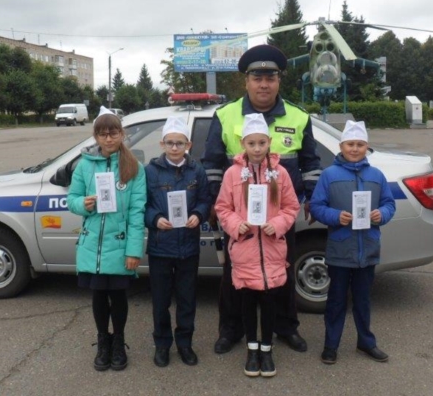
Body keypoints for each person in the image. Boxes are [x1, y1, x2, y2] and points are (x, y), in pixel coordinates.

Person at [202, 44, 321, 354]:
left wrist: (312, 200)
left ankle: (285, 328)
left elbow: (311, 164)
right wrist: (217, 206)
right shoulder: (225, 115)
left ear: (279, 81)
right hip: (238, 220)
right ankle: (231, 330)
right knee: (232, 277)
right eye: (257, 77)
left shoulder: (298, 116)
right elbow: (212, 164)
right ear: (247, 81)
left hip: (278, 220)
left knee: (281, 273)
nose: (264, 84)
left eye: (271, 77)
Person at [215, 114, 300, 377]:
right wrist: (234, 224)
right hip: (245, 251)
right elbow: (222, 207)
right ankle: (252, 349)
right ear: (243, 143)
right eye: (251, 143)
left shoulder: (280, 173)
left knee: (270, 302)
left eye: (261, 143)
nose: (256, 148)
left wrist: (279, 223)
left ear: (269, 142)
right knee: (248, 302)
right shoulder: (232, 174)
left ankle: (267, 348)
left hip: (273, 251)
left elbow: (291, 206)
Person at [309, 120, 396, 365]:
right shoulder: (329, 175)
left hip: (367, 249)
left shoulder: (376, 176)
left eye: (359, 144)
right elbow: (316, 206)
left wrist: (383, 214)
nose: (355, 149)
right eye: (350, 144)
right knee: (336, 300)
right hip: (340, 250)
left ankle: (366, 342)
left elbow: (389, 204)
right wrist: (336, 217)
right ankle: (331, 345)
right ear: (341, 146)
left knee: (363, 300)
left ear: (366, 147)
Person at [66, 113, 147, 372]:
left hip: (120, 245)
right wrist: (84, 204)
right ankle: (103, 340)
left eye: (113, 133)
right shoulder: (85, 165)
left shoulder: (134, 167)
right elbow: (72, 199)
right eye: (103, 134)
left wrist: (134, 250)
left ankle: (119, 342)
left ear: (122, 134)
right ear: (96, 136)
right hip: (94, 246)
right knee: (99, 295)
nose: (108, 138)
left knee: (118, 295)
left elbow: (137, 213)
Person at [144, 116, 210, 368]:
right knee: (160, 301)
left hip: (188, 248)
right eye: (170, 143)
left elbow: (205, 200)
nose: (174, 148)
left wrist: (198, 214)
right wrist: (155, 218)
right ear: (162, 144)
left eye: (179, 143)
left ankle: (185, 344)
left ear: (188, 145)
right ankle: (162, 345)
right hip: (161, 247)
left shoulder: (197, 170)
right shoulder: (150, 172)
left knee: (186, 299)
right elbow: (143, 205)